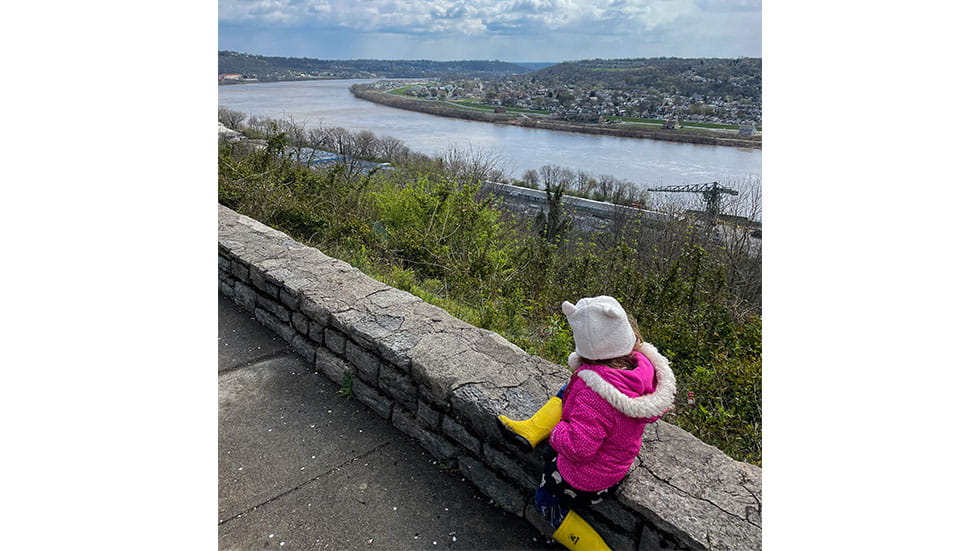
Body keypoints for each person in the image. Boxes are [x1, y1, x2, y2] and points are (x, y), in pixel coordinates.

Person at [497, 296, 676, 551]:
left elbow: (579, 448)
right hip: (617, 461)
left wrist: (558, 430)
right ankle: (531, 429)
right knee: (567, 389)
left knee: (546, 503)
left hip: (587, 480)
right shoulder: (640, 370)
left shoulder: (595, 397)